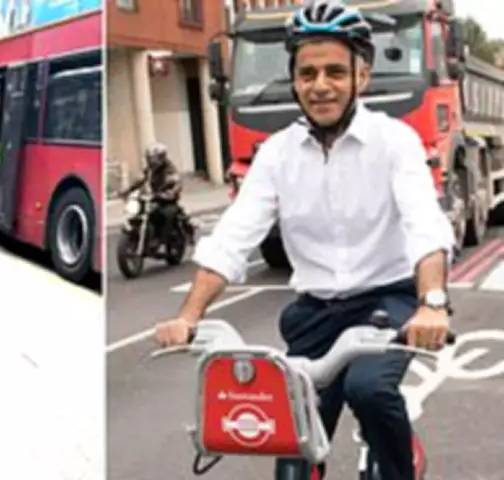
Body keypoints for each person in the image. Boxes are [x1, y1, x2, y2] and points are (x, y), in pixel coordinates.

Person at [154, 1, 455, 479]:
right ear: (294, 79)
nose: (320, 86)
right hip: (314, 314)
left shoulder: (393, 141)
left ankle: (402, 465)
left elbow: (424, 224)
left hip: (387, 302)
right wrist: (188, 317)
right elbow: (234, 237)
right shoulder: (276, 154)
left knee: (370, 391)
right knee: (291, 444)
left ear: (362, 76)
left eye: (335, 72)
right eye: (307, 72)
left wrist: (432, 303)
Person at [119, 143, 195, 247]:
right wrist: (127, 190)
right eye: (150, 158)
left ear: (161, 158)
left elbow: (177, 182)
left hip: (167, 200)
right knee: (139, 211)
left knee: (168, 214)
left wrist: (172, 192)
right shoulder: (149, 169)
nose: (152, 161)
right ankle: (143, 236)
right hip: (153, 198)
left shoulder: (169, 169)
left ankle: (164, 239)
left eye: (154, 158)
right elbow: (140, 180)